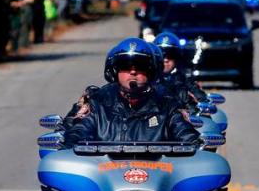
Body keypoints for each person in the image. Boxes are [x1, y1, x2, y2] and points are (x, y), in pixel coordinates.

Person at [63, 38, 201, 147]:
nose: (133, 71)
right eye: (125, 66)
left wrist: (196, 146)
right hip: (104, 177)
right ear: (115, 71)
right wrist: (70, 144)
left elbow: (187, 137)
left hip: (158, 177)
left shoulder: (167, 105)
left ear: (150, 71)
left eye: (140, 66)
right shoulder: (97, 104)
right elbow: (77, 134)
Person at [153, 32, 208, 108]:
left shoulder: (184, 77)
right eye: (162, 56)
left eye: (170, 55)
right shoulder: (147, 78)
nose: (166, 60)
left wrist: (203, 102)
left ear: (177, 57)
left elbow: (199, 97)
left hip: (179, 116)